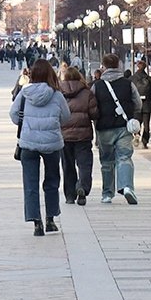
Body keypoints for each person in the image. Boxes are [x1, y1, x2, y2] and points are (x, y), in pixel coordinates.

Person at [12, 59, 71, 236]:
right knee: (52, 181)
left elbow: (14, 115)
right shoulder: (57, 95)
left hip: (28, 143)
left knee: (30, 183)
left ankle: (36, 222)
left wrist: (28, 124)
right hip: (52, 143)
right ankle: (50, 219)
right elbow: (66, 117)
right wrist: (52, 124)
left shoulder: (24, 93)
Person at [92, 53, 139, 205]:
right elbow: (137, 103)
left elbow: (92, 108)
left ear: (103, 67)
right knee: (124, 156)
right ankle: (126, 187)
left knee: (107, 161)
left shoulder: (97, 85)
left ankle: (107, 193)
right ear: (119, 65)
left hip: (104, 128)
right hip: (124, 127)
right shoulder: (128, 83)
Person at [59, 66, 98, 207]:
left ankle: (70, 195)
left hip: (64, 136)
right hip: (83, 135)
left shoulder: (58, 93)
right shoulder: (87, 93)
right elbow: (94, 114)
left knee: (67, 165)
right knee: (84, 164)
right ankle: (82, 186)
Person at [129, 60, 151, 148]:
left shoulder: (132, 79)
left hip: (136, 105)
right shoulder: (149, 79)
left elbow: (129, 92)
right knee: (146, 124)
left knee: (137, 122)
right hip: (147, 105)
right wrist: (150, 100)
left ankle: (136, 135)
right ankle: (145, 141)